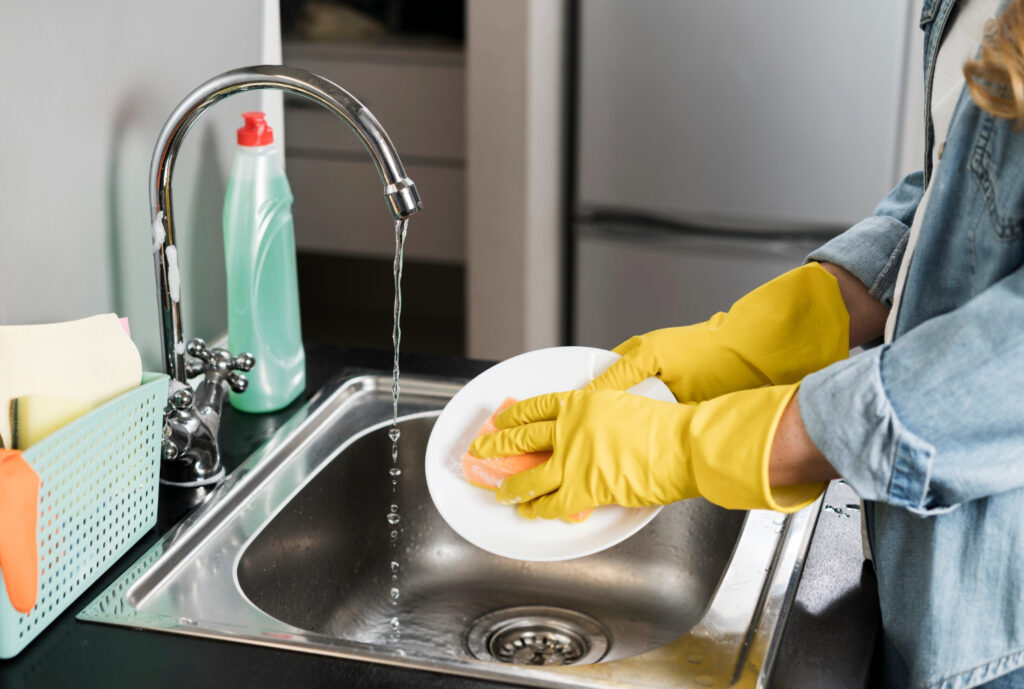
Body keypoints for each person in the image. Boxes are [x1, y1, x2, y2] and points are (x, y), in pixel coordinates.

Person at [469, 0, 1024, 687]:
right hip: (918, 576)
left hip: (996, 636)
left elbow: (1003, 373)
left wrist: (691, 444)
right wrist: (770, 330)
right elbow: (961, 196)